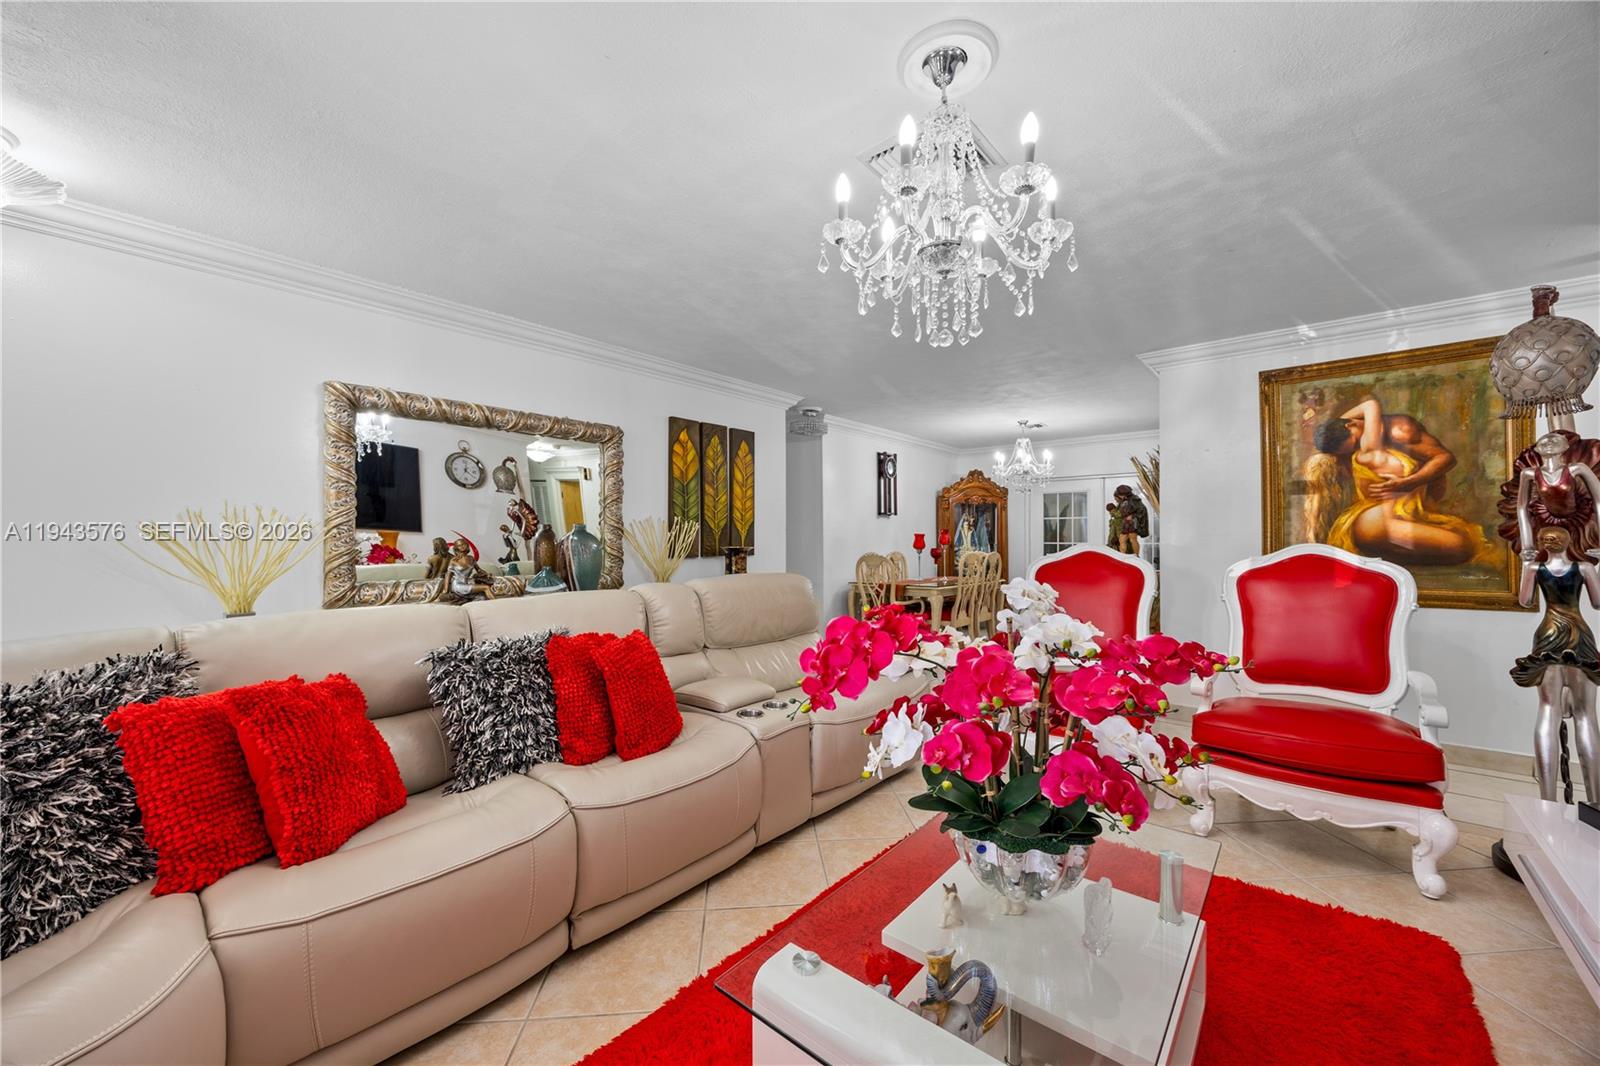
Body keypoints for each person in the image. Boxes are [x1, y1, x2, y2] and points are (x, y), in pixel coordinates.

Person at [1301, 395, 1489, 566]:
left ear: (1350, 425)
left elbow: (1445, 458)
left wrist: (1410, 482)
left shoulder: (1399, 433)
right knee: (1461, 546)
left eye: (1356, 442)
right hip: (1378, 521)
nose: (1359, 447)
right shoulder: (1367, 449)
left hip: (1378, 521)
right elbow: (1370, 405)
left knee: (1458, 546)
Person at [1511, 525, 1600, 804]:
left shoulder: (1535, 569)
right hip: (1580, 637)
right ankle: (1596, 802)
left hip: (1548, 635)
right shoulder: (1585, 568)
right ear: (1569, 540)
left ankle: (1546, 801)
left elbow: (1525, 601)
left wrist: (1527, 565)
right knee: (1587, 715)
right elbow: (1598, 603)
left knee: (1548, 710)